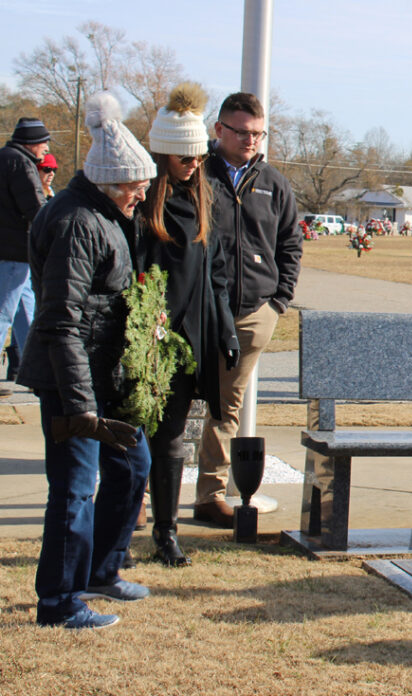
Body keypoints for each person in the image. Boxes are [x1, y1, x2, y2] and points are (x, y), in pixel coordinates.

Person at [17, 92, 155, 629]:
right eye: (135, 186)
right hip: (71, 381)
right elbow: (58, 321)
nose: (141, 195)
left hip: (105, 375)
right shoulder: (77, 223)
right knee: (75, 489)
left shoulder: (104, 213)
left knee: (133, 465)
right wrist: (80, 407)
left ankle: (102, 569)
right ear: (110, 183)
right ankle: (59, 601)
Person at [139, 83, 239, 564]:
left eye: (198, 158)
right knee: (135, 437)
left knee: (172, 439)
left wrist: (225, 330)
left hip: (189, 338)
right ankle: (119, 527)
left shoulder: (208, 198)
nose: (194, 166)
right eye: (185, 159)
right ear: (164, 155)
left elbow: (217, 273)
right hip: (144, 339)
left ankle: (166, 532)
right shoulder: (142, 203)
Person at [194, 92, 303, 528]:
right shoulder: (195, 175)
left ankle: (210, 494)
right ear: (218, 130)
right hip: (197, 310)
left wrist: (277, 302)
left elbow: (291, 243)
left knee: (225, 406)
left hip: (252, 313)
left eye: (258, 134)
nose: (251, 141)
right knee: (172, 402)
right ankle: (145, 496)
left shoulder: (273, 183)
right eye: (242, 132)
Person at [0, 117, 50, 397]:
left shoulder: (5, 157)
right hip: (15, 251)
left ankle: (36, 372)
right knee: (4, 313)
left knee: (26, 315)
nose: (45, 148)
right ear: (32, 143)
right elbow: (35, 207)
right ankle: (37, 373)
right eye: (44, 142)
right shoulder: (21, 163)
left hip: (12, 252)